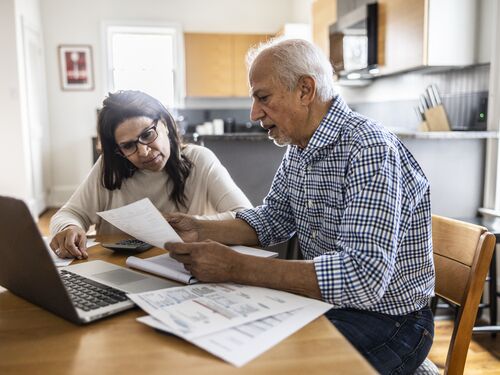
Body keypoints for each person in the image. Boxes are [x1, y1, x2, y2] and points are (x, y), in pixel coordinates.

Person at [164, 39, 435, 374]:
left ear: (305, 89)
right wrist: (200, 228)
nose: (253, 113)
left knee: (267, 365)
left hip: (392, 322)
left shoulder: (369, 149)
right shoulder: (300, 146)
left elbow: (363, 278)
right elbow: (273, 218)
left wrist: (237, 267)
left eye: (263, 97)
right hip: (328, 305)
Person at [50, 90, 252, 260]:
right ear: (118, 150)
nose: (144, 151)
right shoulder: (109, 167)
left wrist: (195, 224)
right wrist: (69, 228)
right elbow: (69, 214)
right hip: (119, 271)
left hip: (183, 269)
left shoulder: (199, 160)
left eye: (147, 134)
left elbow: (247, 217)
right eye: (129, 145)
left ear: (164, 123)